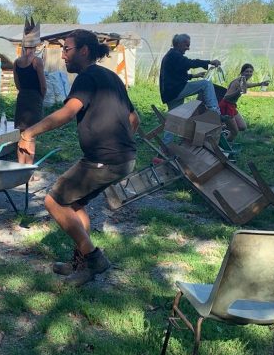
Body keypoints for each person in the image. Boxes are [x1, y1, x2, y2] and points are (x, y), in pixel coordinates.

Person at [18, 30, 139, 286]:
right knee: (73, 204)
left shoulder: (87, 77)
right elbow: (133, 119)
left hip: (104, 159)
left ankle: (94, 258)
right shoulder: (110, 77)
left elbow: (67, 112)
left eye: (67, 49)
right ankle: (82, 265)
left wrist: (29, 132)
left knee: (53, 201)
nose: (63, 55)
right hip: (123, 158)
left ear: (84, 51)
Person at [159, 33, 221, 112]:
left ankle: (171, 123)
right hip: (175, 90)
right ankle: (215, 112)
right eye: (187, 45)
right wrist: (209, 62)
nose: (188, 48)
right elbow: (190, 63)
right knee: (206, 84)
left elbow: (176, 76)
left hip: (169, 94)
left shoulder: (170, 55)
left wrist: (194, 75)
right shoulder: (174, 55)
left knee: (176, 117)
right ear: (179, 44)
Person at [14, 17, 46, 164]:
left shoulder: (17, 62)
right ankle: (28, 170)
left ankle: (21, 166)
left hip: (22, 97)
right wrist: (41, 97)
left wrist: (24, 92)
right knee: (32, 133)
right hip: (34, 98)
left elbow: (17, 84)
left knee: (22, 134)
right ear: (36, 45)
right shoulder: (37, 61)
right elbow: (43, 85)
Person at [219, 63, 269, 142]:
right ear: (242, 72)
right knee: (234, 132)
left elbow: (248, 85)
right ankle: (224, 146)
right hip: (226, 106)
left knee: (242, 127)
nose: (249, 73)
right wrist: (238, 91)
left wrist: (260, 84)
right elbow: (226, 97)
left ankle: (221, 127)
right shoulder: (236, 83)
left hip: (232, 106)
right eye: (247, 71)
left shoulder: (243, 81)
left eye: (250, 72)